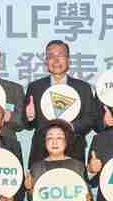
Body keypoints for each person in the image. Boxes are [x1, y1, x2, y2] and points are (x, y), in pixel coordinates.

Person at [24, 39, 97, 167]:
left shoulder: (83, 88)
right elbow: (27, 124)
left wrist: (71, 127)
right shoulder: (35, 87)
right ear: (46, 61)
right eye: (51, 56)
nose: (56, 60)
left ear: (68, 60)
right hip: (41, 151)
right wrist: (30, 117)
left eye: (61, 55)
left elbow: (90, 119)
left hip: (74, 149)